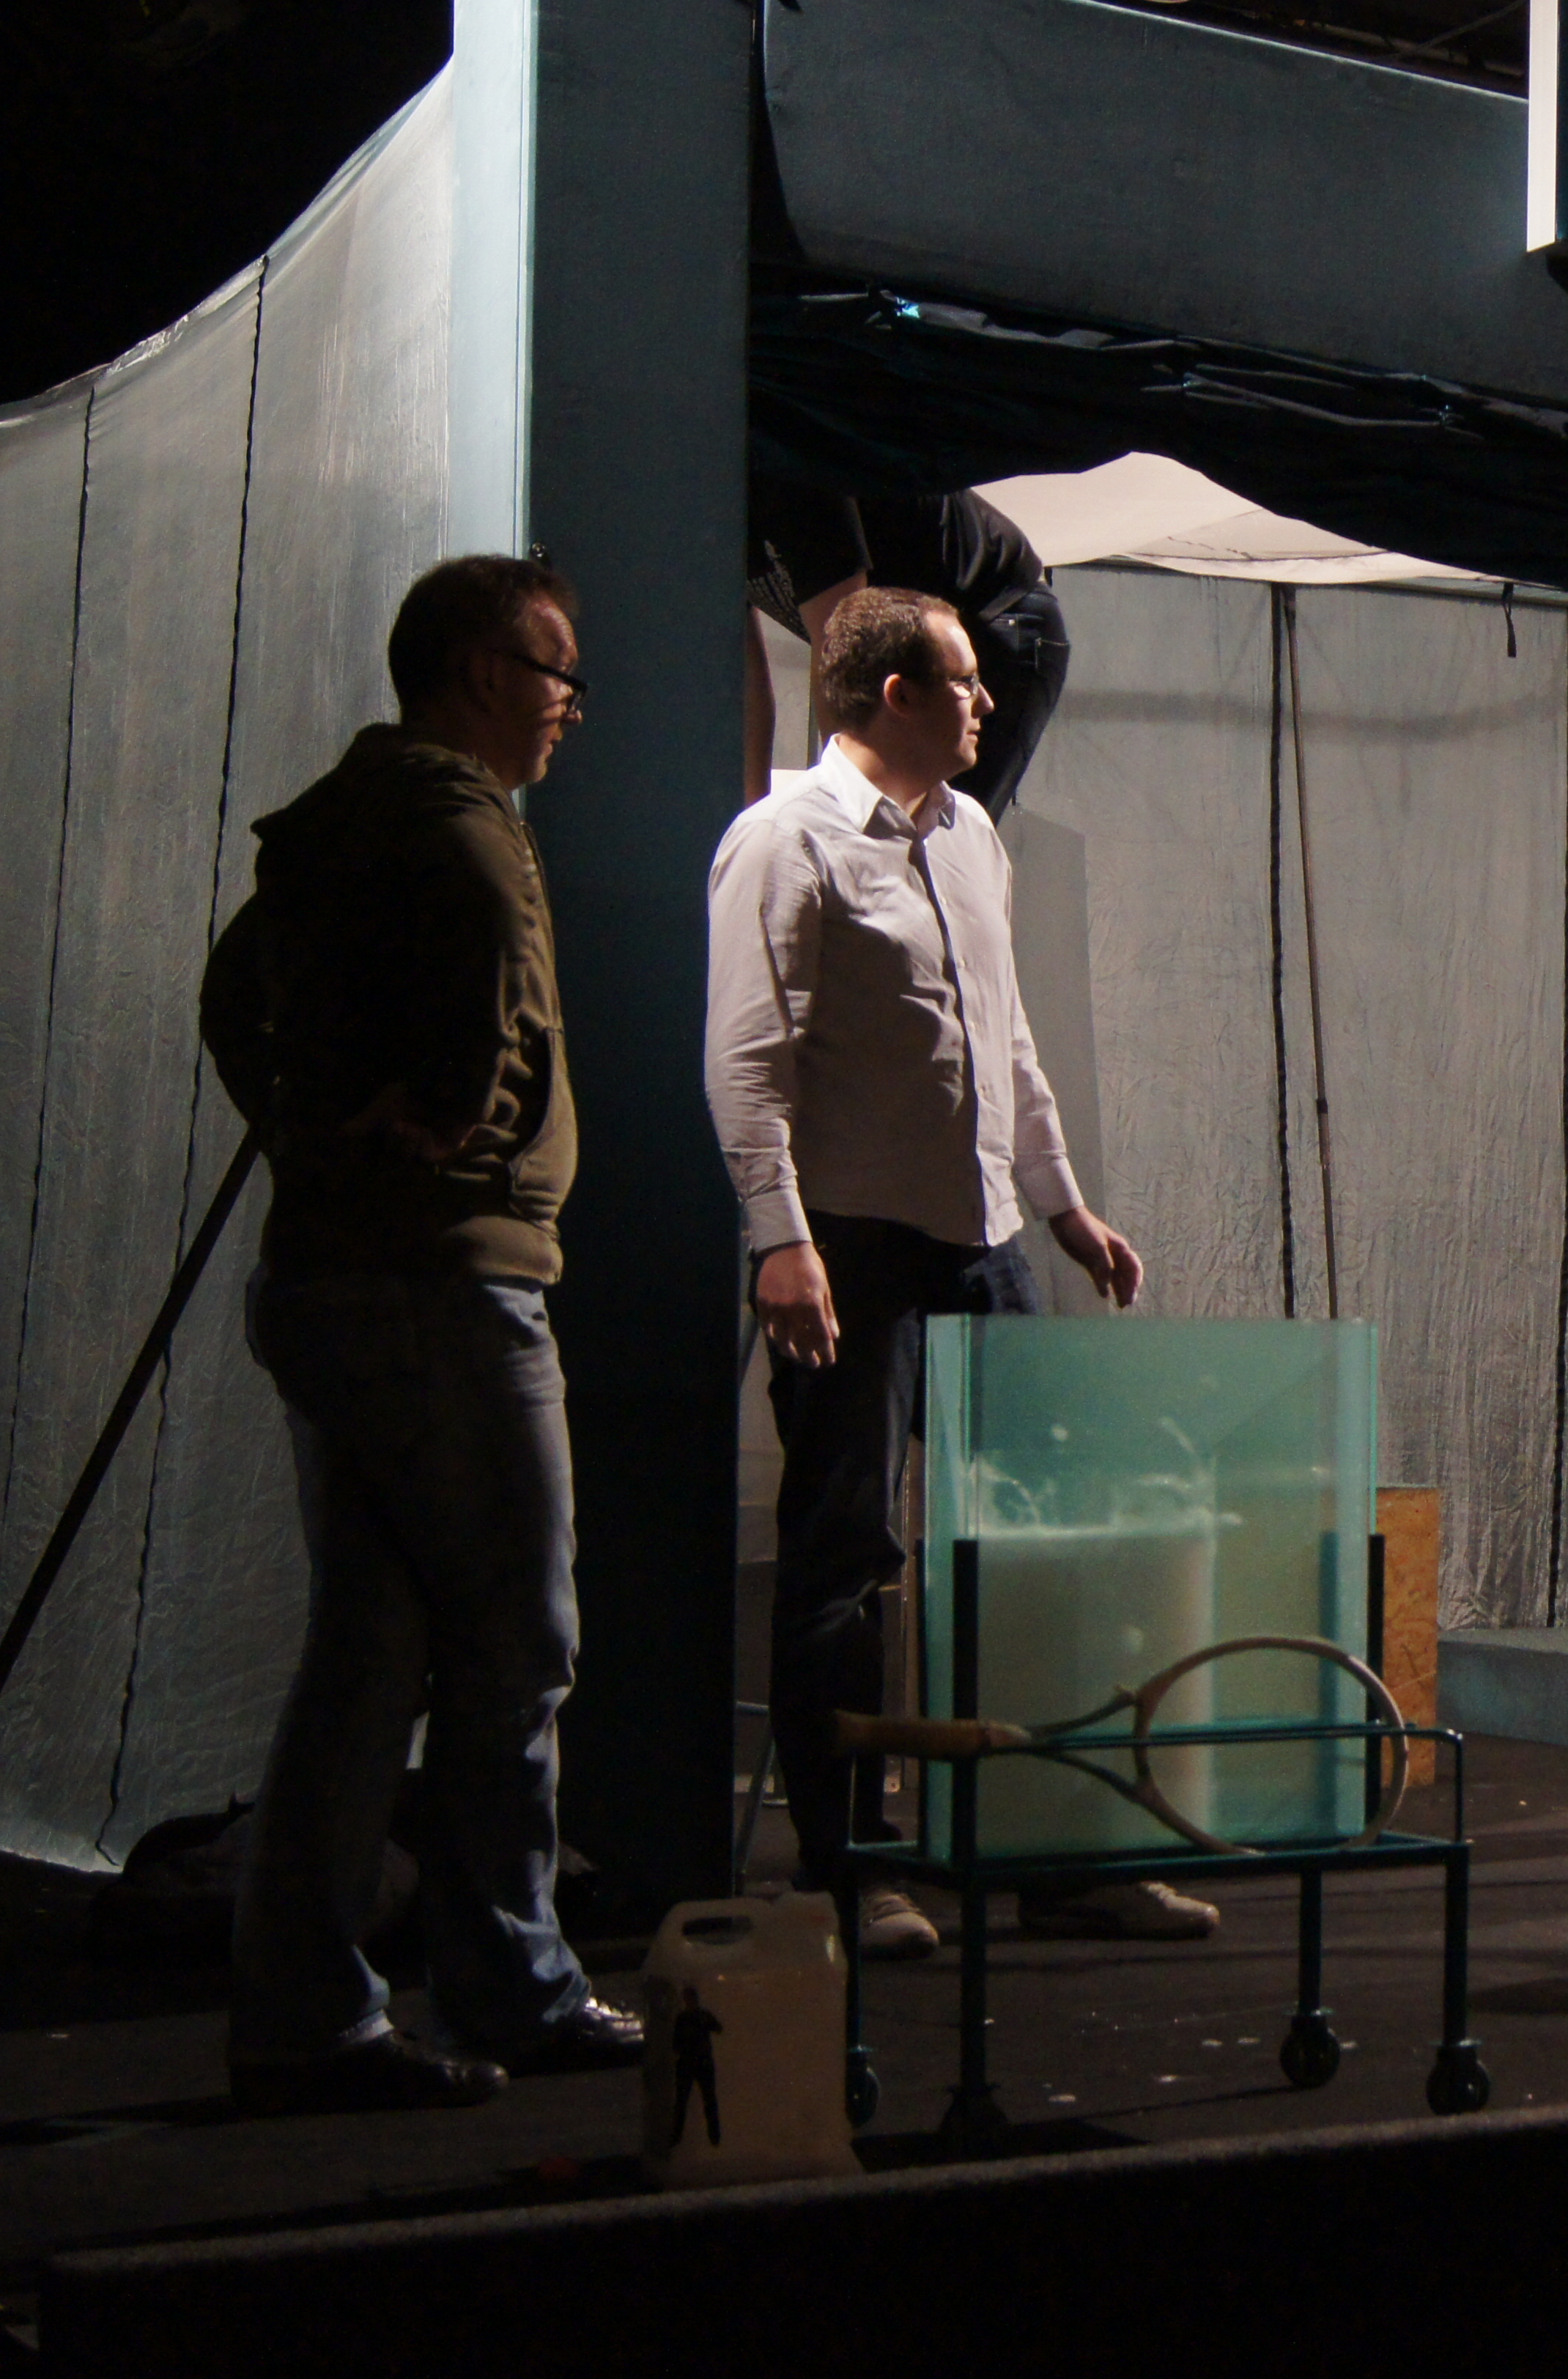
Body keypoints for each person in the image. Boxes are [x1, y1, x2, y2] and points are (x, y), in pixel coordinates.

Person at [197, 553, 643, 2112]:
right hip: (447, 1286)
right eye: (556, 671)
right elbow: (497, 1012)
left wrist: (309, 1128)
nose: (571, 703)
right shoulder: (465, 824)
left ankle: (305, 2015)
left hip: (335, 1280)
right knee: (519, 1642)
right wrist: (453, 1123)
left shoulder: (333, 823)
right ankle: (510, 1982)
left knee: (370, 1654)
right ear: (478, 672)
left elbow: (230, 997)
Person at [707, 586, 1209, 1956]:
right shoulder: (785, 840)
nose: (989, 700)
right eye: (967, 679)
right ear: (895, 694)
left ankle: (1055, 1847)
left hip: (979, 1236)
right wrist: (781, 1239)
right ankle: (852, 1864)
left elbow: (1004, 1034)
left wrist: (1062, 1204)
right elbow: (746, 1059)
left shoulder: (970, 833)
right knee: (842, 1555)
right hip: (854, 1240)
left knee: (1042, 1543)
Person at [742, 482, 1068, 814]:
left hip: (990, 617)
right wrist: (745, 821)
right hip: (907, 656)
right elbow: (739, 682)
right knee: (886, 823)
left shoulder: (784, 471)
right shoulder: (711, 515)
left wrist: (842, 814)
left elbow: (842, 648)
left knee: (921, 826)